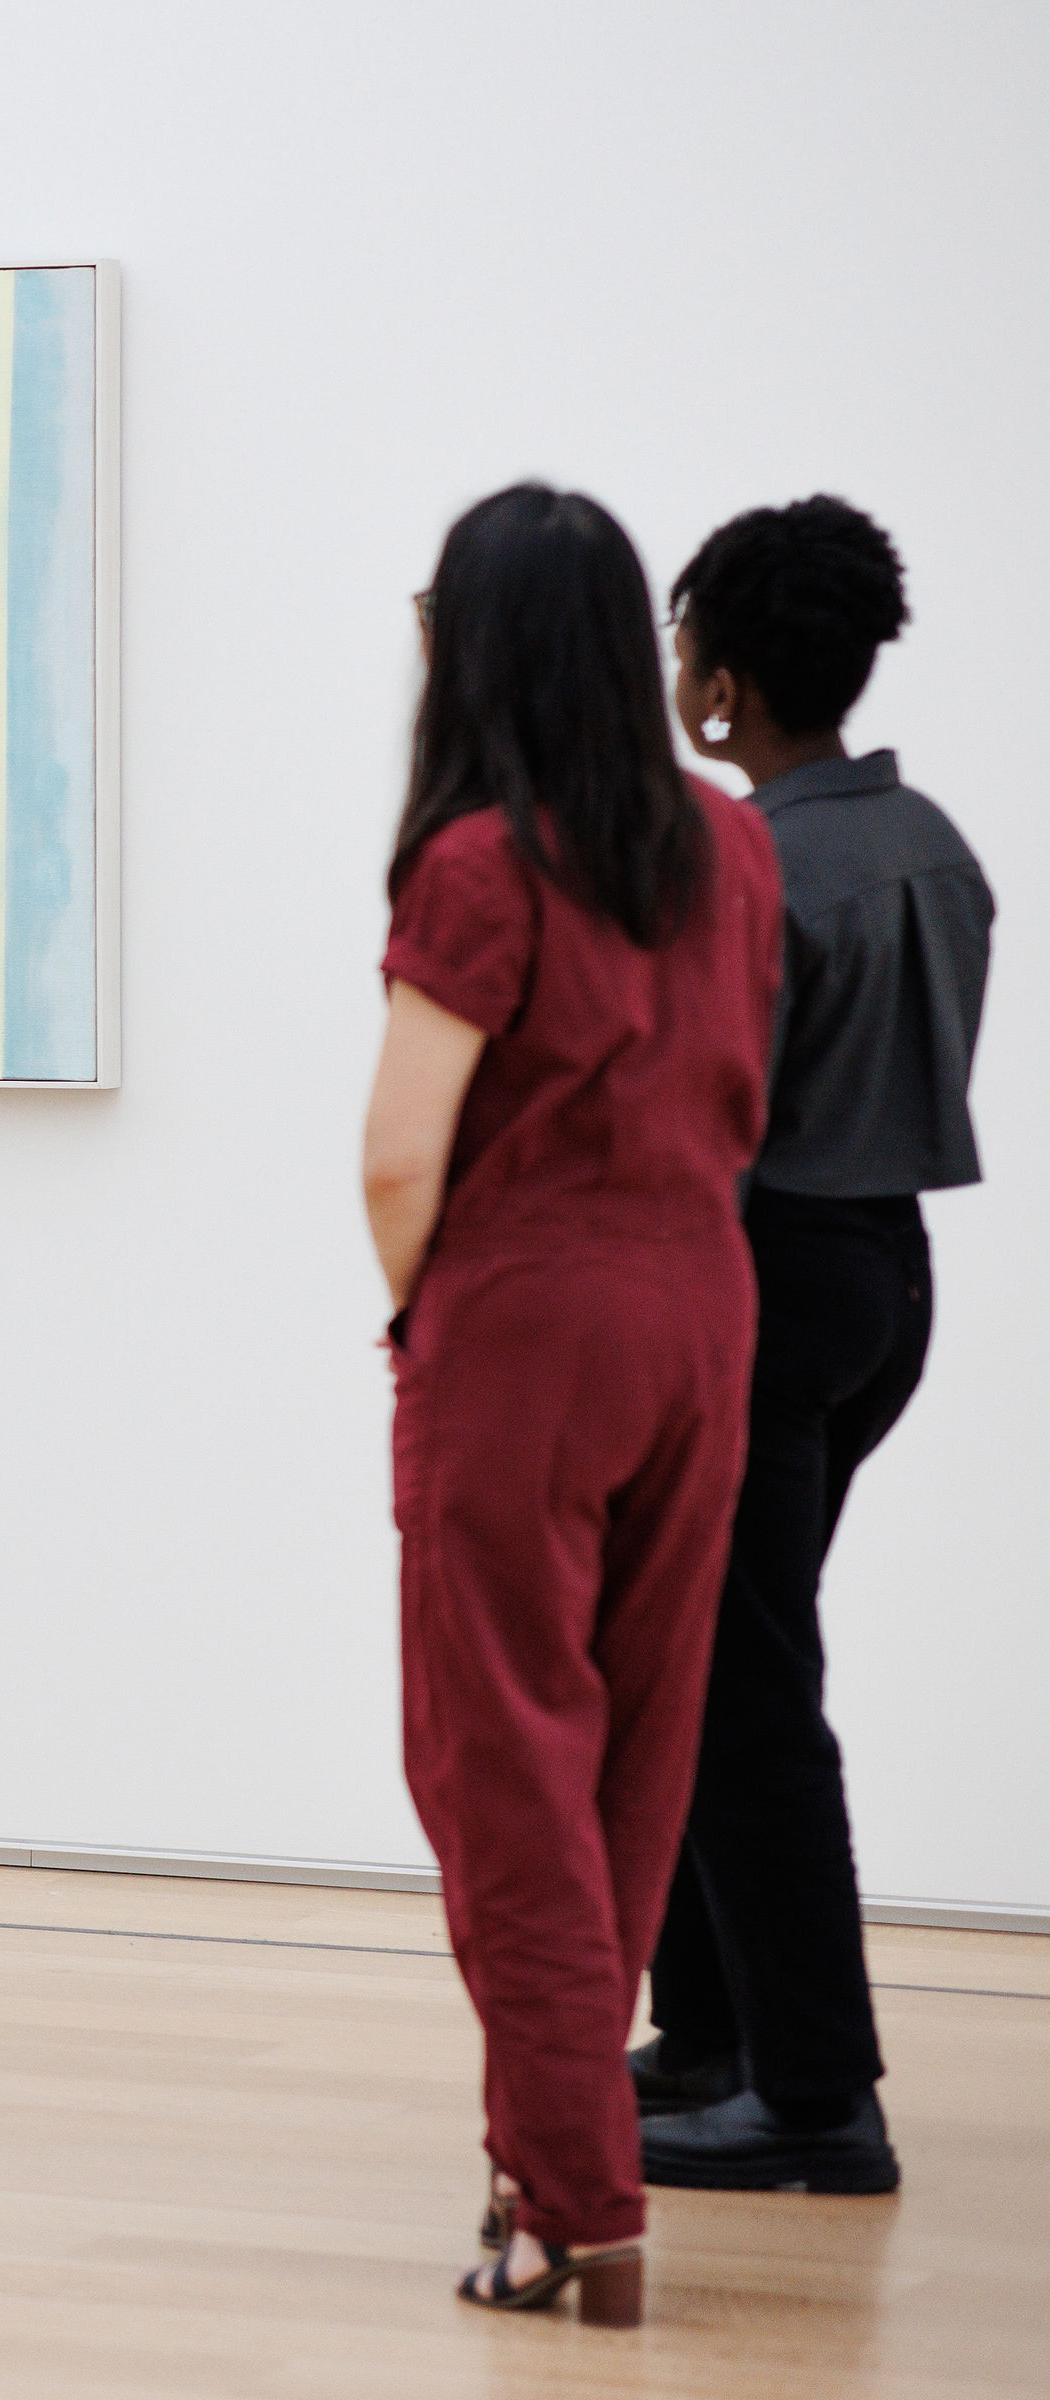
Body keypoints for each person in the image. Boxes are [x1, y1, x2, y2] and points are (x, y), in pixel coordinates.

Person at [359, 486, 781, 2326]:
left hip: (532, 1325)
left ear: (474, 640)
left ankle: (578, 2213)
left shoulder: (476, 861)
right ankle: (547, 2161)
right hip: (705, 1316)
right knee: (628, 1760)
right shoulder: (732, 850)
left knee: (497, 1765)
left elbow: (396, 1161)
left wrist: (423, 1319)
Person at [638, 499, 992, 2198]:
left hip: (765, 1281)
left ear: (720, 678)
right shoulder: (930, 839)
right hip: (888, 1284)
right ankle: (710, 2033)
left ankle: (811, 2093)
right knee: (726, 1665)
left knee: (746, 1691)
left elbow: (711, 1115)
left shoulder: (755, 867)